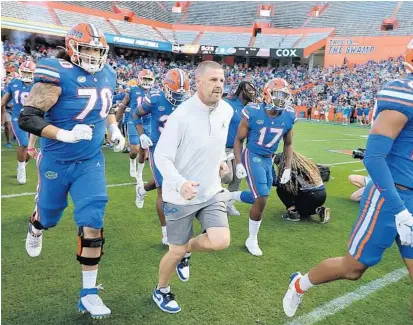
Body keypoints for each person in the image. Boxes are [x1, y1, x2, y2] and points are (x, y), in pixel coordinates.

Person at [283, 39, 413, 320]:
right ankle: (299, 284)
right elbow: (374, 158)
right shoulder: (403, 94)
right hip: (392, 197)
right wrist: (400, 209)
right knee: (353, 268)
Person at [18, 23, 125, 319]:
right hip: (56, 160)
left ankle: (88, 294)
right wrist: (62, 134)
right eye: (87, 49)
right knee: (49, 215)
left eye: (97, 50)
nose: (92, 56)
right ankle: (36, 225)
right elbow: (27, 117)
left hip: (90, 161)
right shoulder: (56, 72)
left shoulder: (108, 74)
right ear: (73, 46)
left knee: (93, 218)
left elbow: (107, 109)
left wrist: (114, 130)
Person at [152, 61, 233, 313]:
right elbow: (161, 157)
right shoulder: (181, 116)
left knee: (220, 241)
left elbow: (218, 144)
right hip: (180, 196)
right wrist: (181, 183)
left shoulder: (227, 111)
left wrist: (221, 161)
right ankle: (161, 290)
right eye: (212, 80)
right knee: (173, 252)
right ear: (198, 83)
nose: (218, 85)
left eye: (221, 80)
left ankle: (187, 249)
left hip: (210, 191)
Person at [232, 78, 295, 256]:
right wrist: (238, 162)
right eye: (277, 95)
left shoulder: (289, 115)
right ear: (267, 94)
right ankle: (251, 239)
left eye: (284, 96)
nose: (281, 100)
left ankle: (228, 196)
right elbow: (238, 140)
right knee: (262, 197)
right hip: (253, 155)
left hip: (269, 159)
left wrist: (287, 167)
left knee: (257, 197)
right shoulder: (253, 111)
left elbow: (288, 144)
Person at [133, 68, 190, 245]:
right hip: (159, 148)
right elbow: (135, 114)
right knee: (164, 190)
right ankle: (166, 233)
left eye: (181, 93)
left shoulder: (189, 102)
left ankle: (141, 190)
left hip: (179, 149)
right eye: (174, 92)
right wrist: (141, 134)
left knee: (172, 183)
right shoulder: (155, 97)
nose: (178, 96)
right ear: (166, 87)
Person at [222, 81, 256, 216]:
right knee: (227, 177)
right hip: (223, 147)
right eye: (250, 90)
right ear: (242, 90)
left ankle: (228, 205)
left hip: (237, 148)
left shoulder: (250, 108)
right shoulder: (227, 103)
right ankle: (206, 186)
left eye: (253, 90)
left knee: (237, 177)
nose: (252, 93)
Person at [1, 61, 38, 184]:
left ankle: (21, 164)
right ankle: (22, 169)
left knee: (29, 147)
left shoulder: (38, 84)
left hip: (33, 118)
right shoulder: (14, 82)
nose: (27, 75)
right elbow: (4, 100)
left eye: (29, 72)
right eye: (25, 72)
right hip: (18, 117)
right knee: (24, 143)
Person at [116, 70, 155, 184]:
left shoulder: (156, 93)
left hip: (147, 123)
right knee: (134, 150)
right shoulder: (132, 91)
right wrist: (114, 124)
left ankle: (139, 174)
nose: (147, 82)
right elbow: (123, 106)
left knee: (144, 150)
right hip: (133, 121)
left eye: (149, 79)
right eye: (145, 79)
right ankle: (132, 161)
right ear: (139, 79)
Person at [274, 151, 330, 223]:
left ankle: (293, 213)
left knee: (281, 189)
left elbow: (282, 184)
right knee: (303, 208)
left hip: (310, 196)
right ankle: (318, 210)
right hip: (322, 194)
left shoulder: (292, 169)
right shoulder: (306, 165)